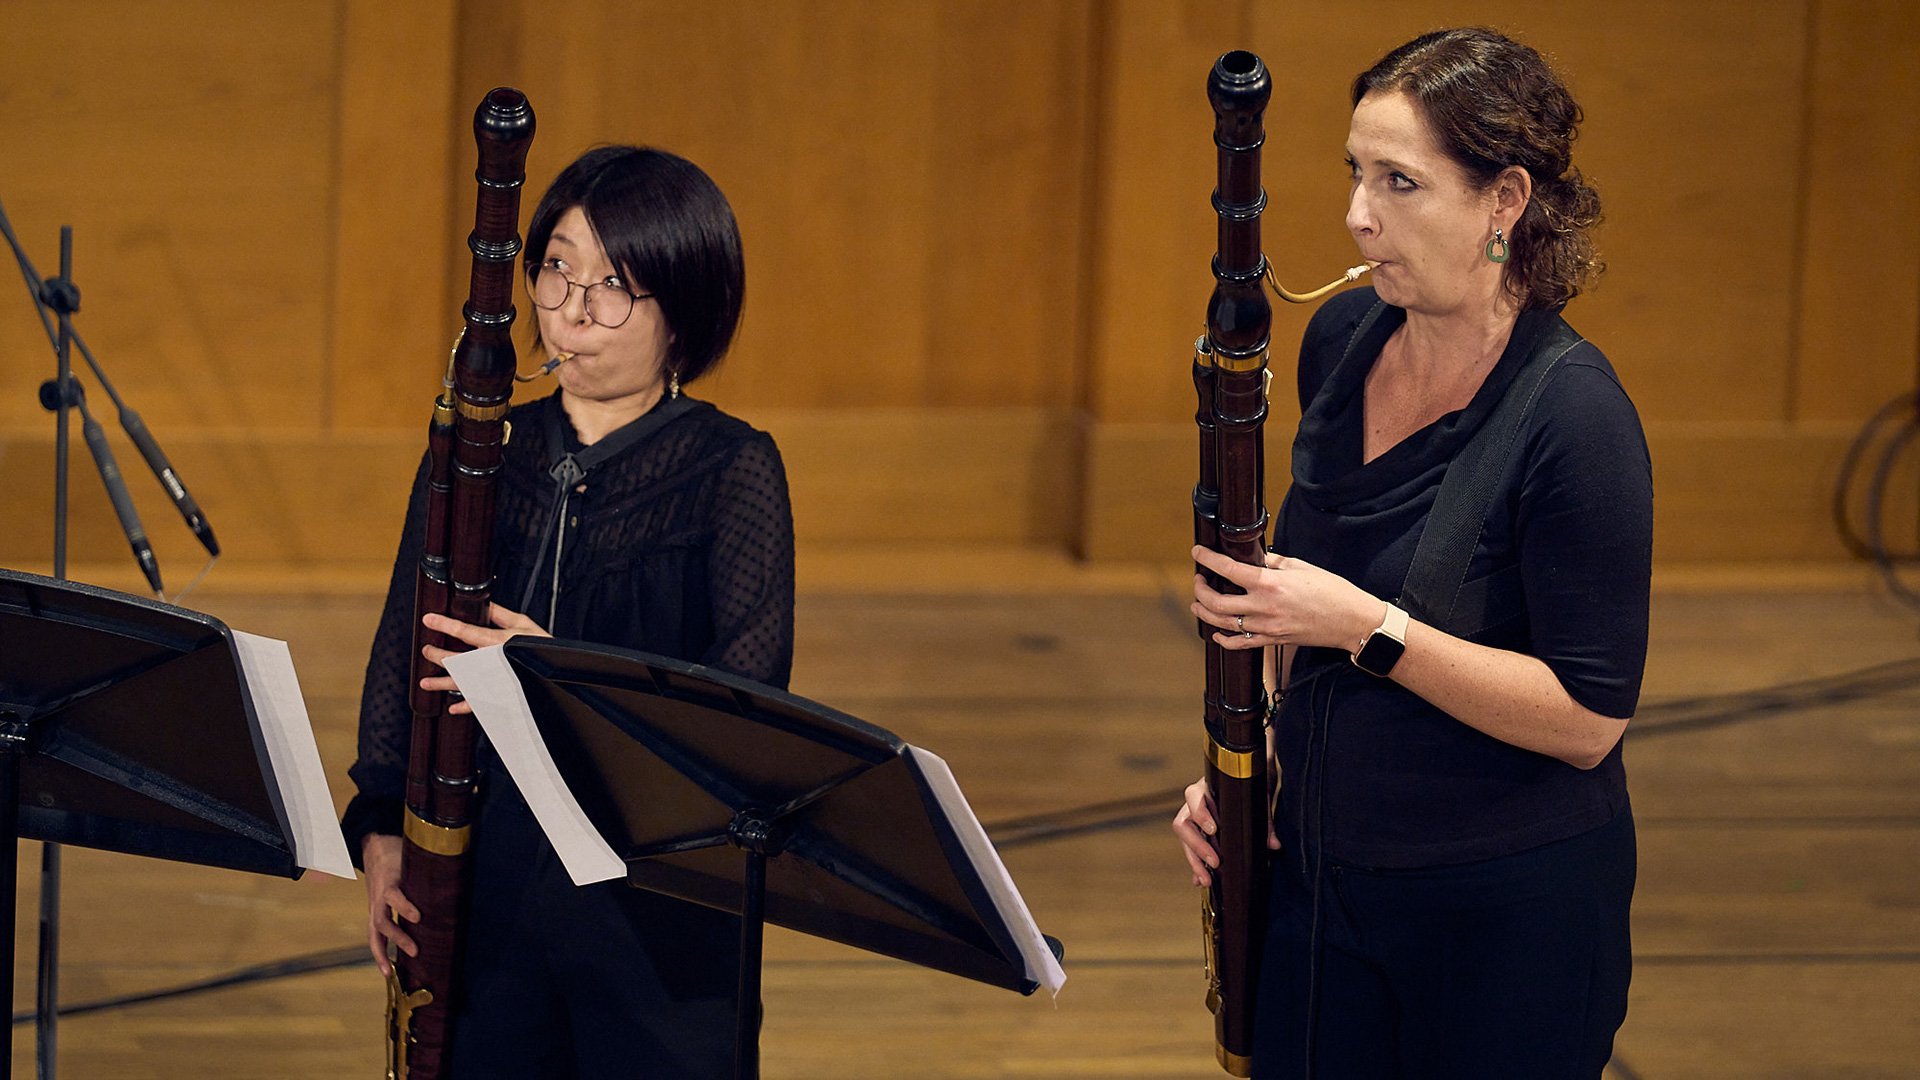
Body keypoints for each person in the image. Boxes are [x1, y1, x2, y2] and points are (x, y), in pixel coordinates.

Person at [1172, 28, 1648, 1080]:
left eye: (1399, 182)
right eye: (1356, 172)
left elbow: (1587, 720)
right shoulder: (1342, 340)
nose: (1358, 214)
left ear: (1504, 200)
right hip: (1325, 881)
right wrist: (1247, 768)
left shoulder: (1575, 418)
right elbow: (1293, 590)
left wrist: (1367, 629)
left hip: (1503, 916)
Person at [343, 145, 794, 1079]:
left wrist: (561, 674)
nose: (573, 311)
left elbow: (743, 709)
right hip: (493, 889)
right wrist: (383, 830)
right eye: (556, 269)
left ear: (685, 310)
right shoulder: (480, 448)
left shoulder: (732, 469)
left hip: (659, 905)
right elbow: (402, 649)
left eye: (614, 284)